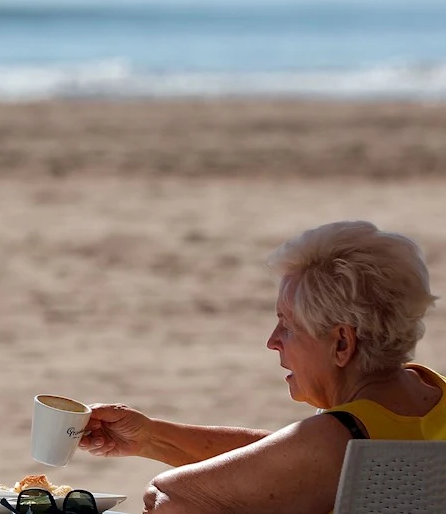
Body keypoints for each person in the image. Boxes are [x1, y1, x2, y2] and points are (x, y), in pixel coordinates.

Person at [78, 220, 444, 514]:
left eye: (287, 325)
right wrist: (151, 437)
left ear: (342, 343)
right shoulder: (420, 409)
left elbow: (168, 497)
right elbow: (292, 459)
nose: (272, 340)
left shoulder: (336, 440)